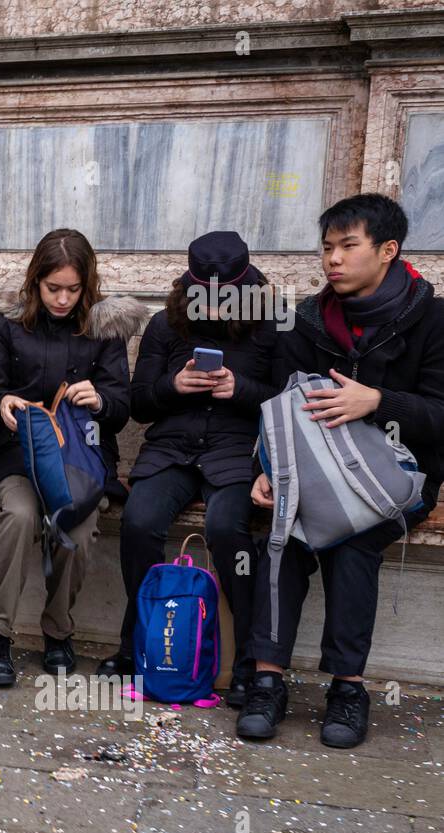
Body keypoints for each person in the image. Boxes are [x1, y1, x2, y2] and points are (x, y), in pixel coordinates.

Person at [239, 194, 444, 748]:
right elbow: (281, 409)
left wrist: (378, 401)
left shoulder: (432, 319)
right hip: (313, 469)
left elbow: (440, 415)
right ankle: (267, 680)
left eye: (348, 246)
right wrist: (269, 469)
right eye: (327, 247)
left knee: (353, 542)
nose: (333, 258)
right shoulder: (306, 319)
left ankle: (348, 689)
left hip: (399, 479)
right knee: (284, 532)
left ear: (388, 250)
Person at [101, 231, 279, 708]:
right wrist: (174, 386)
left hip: (238, 452)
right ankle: (134, 646)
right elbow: (138, 403)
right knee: (139, 521)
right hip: (172, 450)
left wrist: (240, 389)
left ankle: (245, 662)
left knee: (226, 529)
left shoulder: (272, 326)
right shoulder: (165, 325)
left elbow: (288, 403)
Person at [0, 228, 143, 687]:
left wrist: (100, 400)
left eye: (72, 289)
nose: (62, 299)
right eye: (52, 289)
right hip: (20, 458)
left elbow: (122, 410)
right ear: (35, 283)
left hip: (80, 461)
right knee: (22, 516)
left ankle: (58, 630)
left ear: (88, 286)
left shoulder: (104, 329)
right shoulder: (6, 323)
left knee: (77, 528)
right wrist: (1, 404)